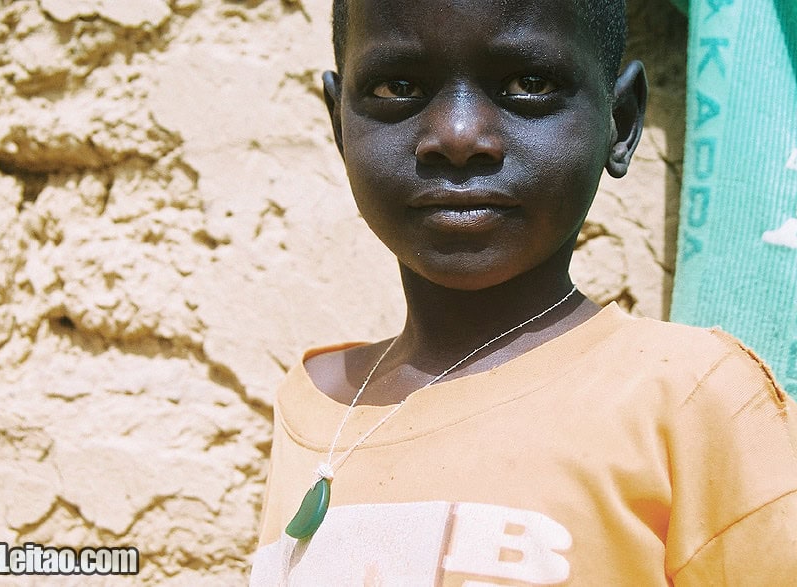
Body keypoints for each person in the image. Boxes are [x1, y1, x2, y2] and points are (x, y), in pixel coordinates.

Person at [250, 0, 797, 583]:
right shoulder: (314, 402)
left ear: (622, 120)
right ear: (340, 123)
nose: (457, 137)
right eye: (397, 87)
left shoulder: (692, 398)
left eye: (528, 83)